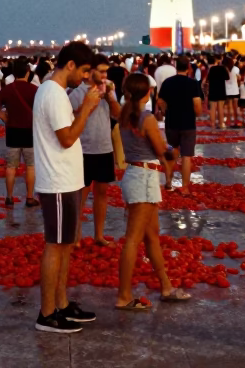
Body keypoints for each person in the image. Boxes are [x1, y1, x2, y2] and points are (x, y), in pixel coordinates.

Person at [32, 41, 101, 334]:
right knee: (56, 246)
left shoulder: (56, 92)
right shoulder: (53, 94)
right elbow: (67, 138)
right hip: (57, 180)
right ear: (70, 65)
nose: (85, 77)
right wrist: (86, 108)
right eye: (84, 70)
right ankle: (47, 313)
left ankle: (60, 303)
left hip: (67, 179)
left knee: (66, 245)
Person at [113, 73, 190, 311]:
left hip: (136, 175)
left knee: (152, 236)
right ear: (147, 93)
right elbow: (159, 149)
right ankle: (124, 296)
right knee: (133, 239)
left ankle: (166, 286)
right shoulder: (145, 118)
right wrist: (171, 151)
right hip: (144, 177)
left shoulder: (124, 114)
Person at [71, 55, 121, 247]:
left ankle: (99, 235)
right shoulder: (77, 91)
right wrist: (91, 100)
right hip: (82, 148)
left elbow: (117, 114)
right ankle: (76, 235)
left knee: (102, 193)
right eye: (101, 71)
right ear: (90, 72)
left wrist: (108, 97)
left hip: (104, 147)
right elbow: (76, 115)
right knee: (80, 194)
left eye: (106, 71)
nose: (104, 75)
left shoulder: (109, 88)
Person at [0, 60, 39, 209]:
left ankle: (9, 197)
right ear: (28, 72)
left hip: (12, 131)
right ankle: (30, 197)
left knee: (11, 166)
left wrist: (3, 117)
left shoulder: (8, 89)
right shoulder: (34, 89)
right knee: (30, 166)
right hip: (30, 131)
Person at [156, 56, 204, 194]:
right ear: (188, 68)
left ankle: (168, 182)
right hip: (188, 125)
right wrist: (197, 114)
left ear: (176, 67)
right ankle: (185, 187)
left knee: (172, 151)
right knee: (186, 156)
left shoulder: (168, 82)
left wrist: (165, 111)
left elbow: (160, 101)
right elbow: (197, 103)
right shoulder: (192, 84)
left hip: (171, 124)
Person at [206, 55, 228, 129]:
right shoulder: (223, 68)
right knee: (220, 108)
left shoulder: (211, 69)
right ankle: (221, 123)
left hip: (213, 89)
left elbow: (207, 79)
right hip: (221, 89)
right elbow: (227, 78)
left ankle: (212, 124)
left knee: (212, 108)